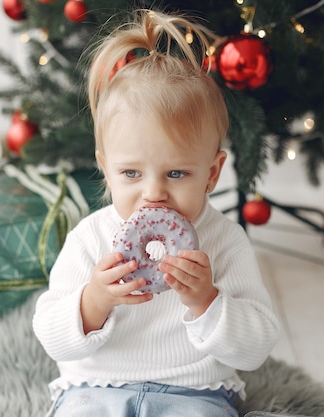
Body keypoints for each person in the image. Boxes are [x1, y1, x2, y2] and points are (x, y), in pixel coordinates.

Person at [32, 9, 280, 417]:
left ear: (212, 173)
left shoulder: (225, 241)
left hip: (196, 393)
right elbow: (51, 337)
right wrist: (93, 301)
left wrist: (208, 301)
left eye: (177, 173)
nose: (154, 195)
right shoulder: (90, 237)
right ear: (106, 169)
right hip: (94, 387)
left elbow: (256, 349)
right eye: (131, 173)